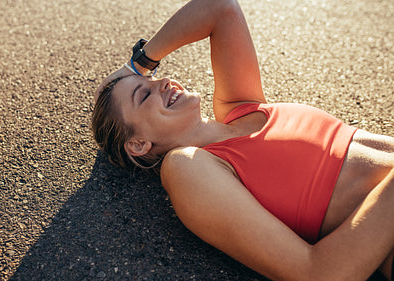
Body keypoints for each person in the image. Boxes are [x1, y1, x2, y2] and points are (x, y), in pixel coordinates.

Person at [91, 0, 394, 280]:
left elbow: (220, 7)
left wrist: (139, 64)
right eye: (144, 94)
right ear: (139, 144)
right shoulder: (186, 167)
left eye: (154, 76)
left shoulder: (242, 107)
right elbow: (317, 273)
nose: (163, 82)